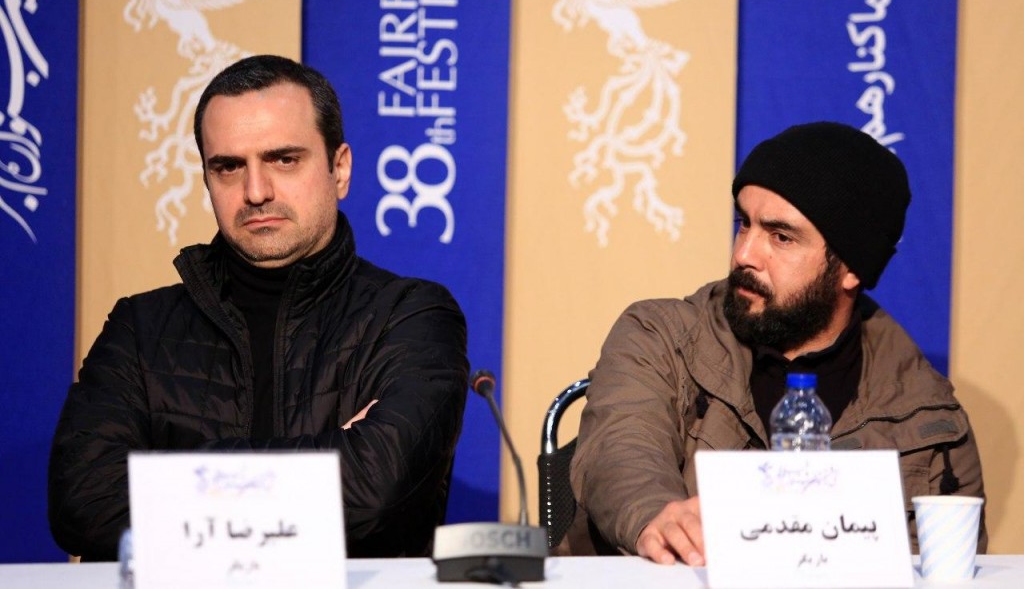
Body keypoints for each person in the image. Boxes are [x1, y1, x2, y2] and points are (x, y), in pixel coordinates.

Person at [48, 55, 469, 560]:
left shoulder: (412, 316)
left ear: (339, 169)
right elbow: (83, 502)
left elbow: (376, 490)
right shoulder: (139, 328)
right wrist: (327, 459)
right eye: (228, 167)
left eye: (283, 160)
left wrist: (166, 473)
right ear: (207, 179)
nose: (255, 192)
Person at [562, 122, 986, 563]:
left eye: (781, 237)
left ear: (852, 269)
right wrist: (657, 517)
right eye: (744, 224)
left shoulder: (928, 412)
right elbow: (621, 449)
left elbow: (945, 566)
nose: (744, 254)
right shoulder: (659, 335)